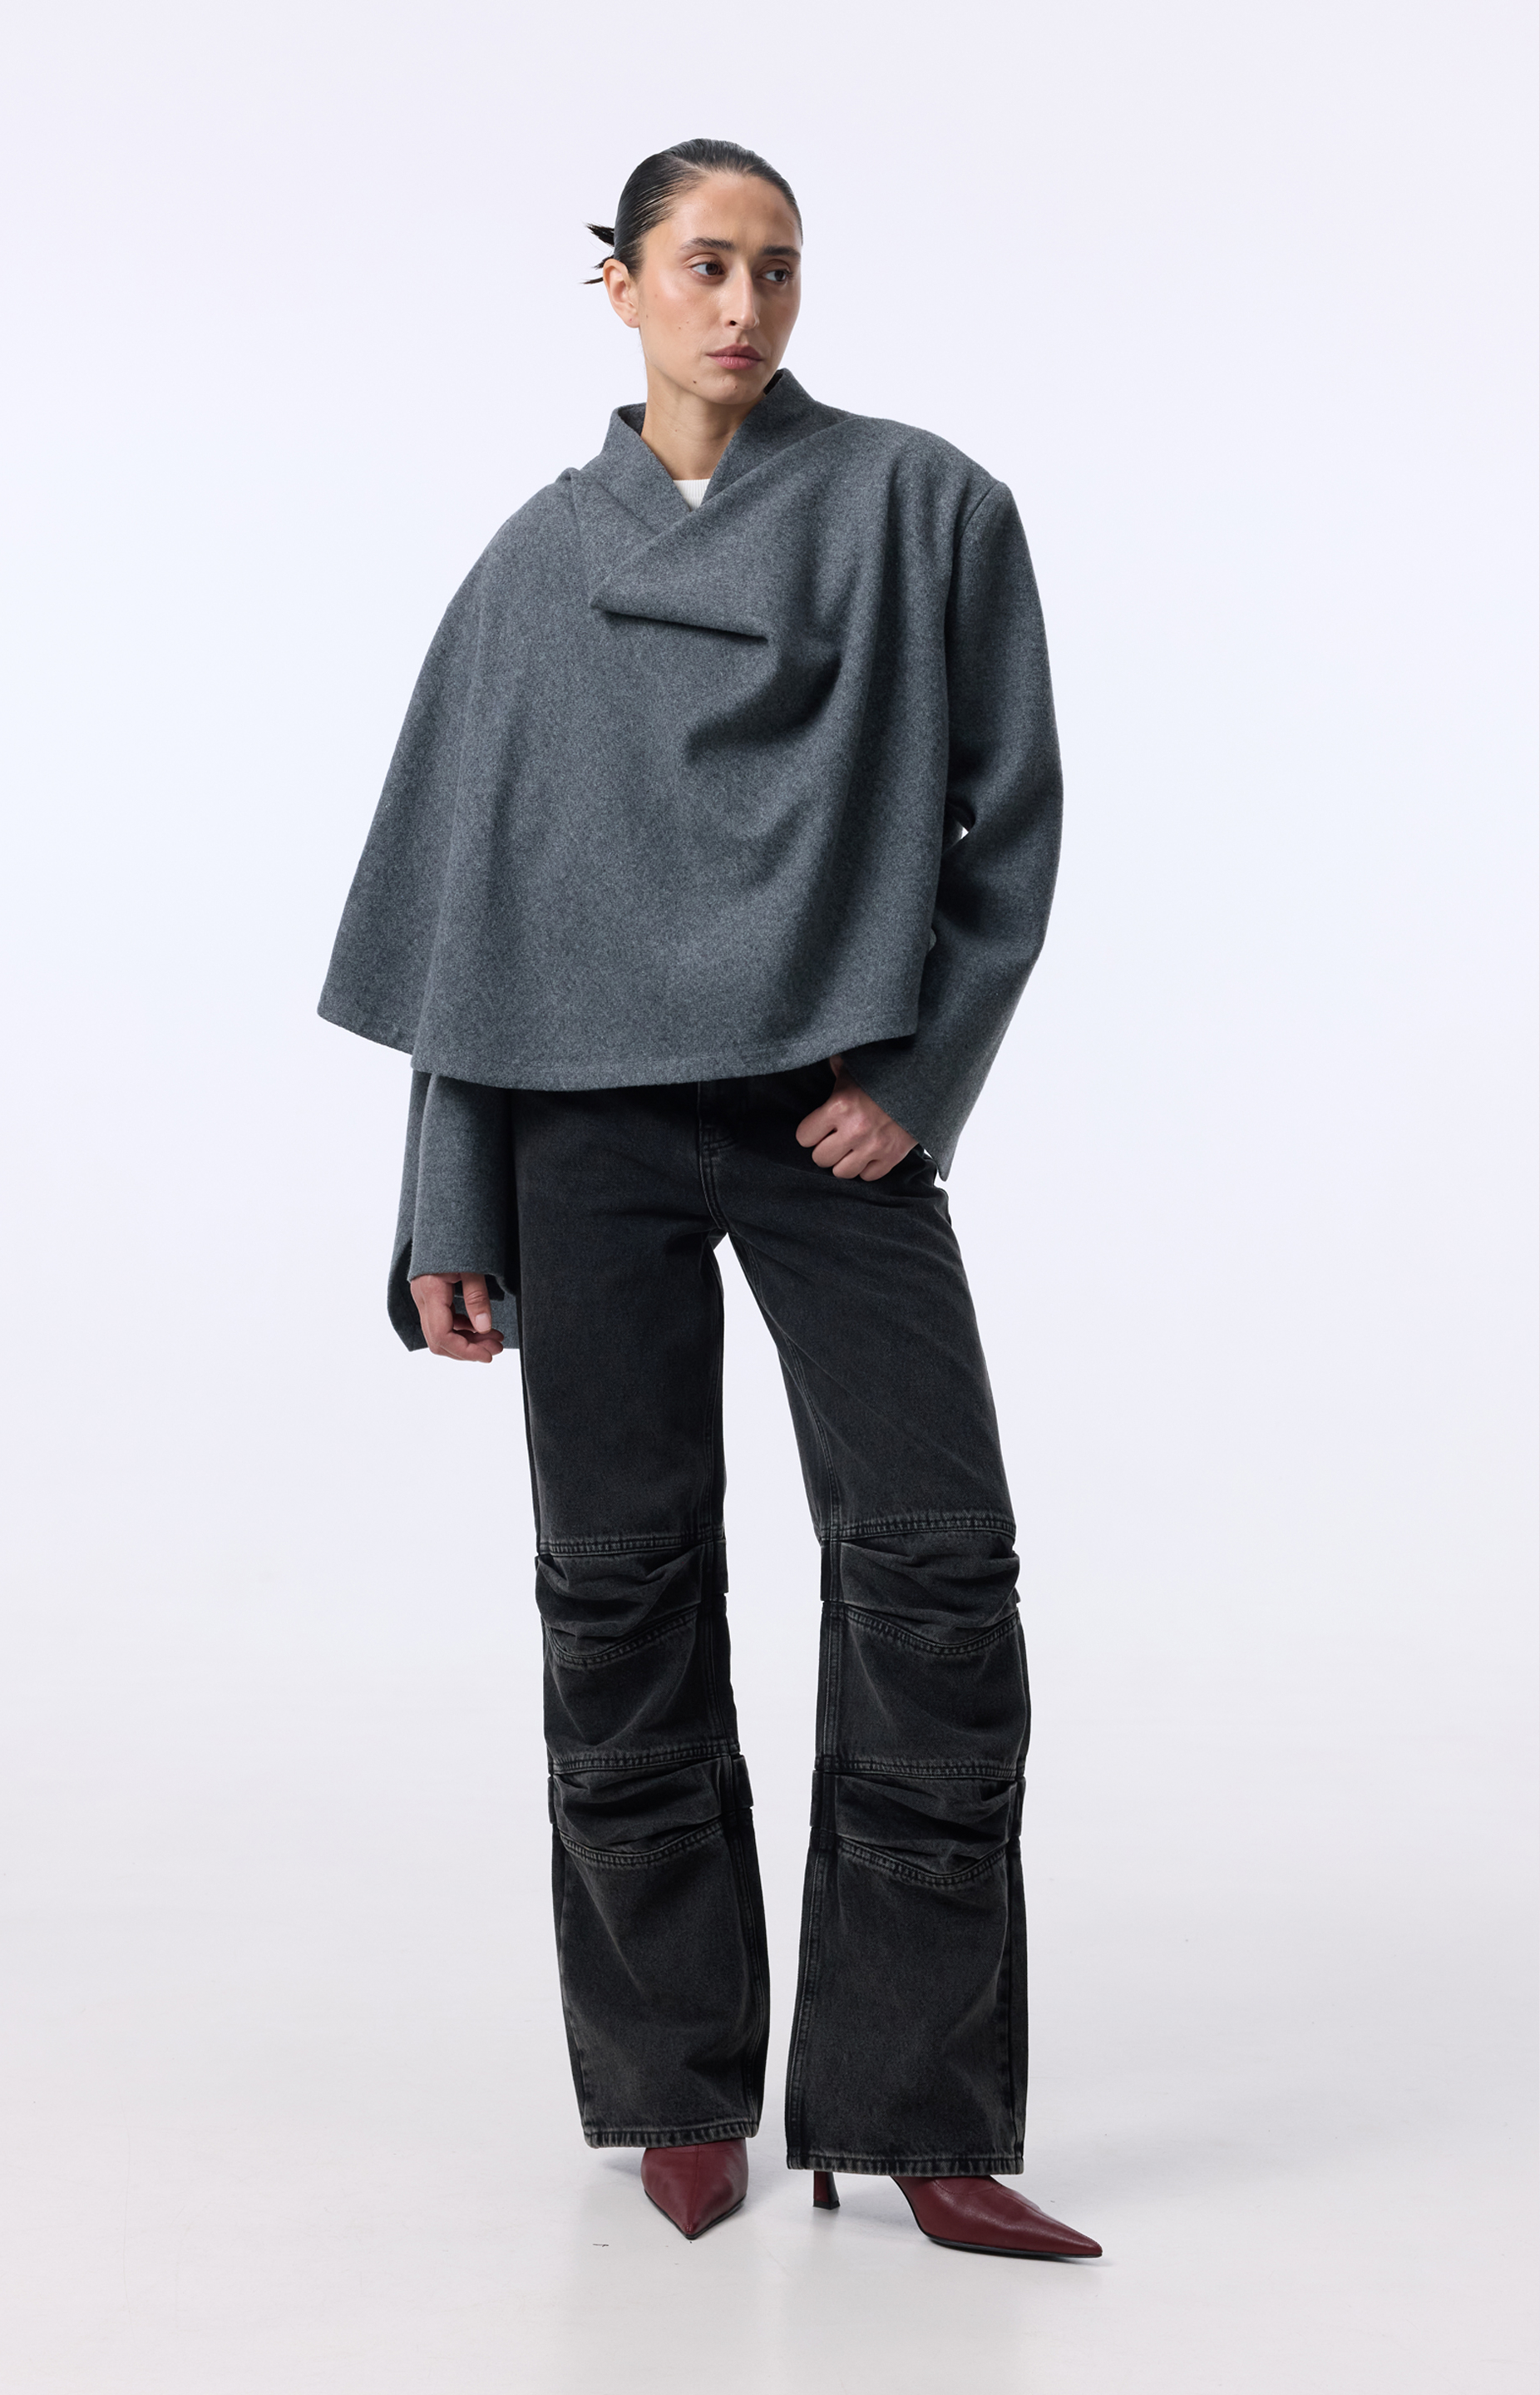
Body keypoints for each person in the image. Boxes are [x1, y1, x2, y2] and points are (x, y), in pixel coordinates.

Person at [320, 137, 1099, 2261]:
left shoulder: (927, 508)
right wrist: (449, 1197)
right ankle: (675, 2085)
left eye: (775, 269)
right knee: (622, 1594)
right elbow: (471, 915)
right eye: (701, 265)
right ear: (620, 284)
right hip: (579, 1140)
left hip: (825, 1124)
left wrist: (916, 1079)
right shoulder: (534, 565)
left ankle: (918, 2116)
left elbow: (1015, 823)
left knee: (936, 1580)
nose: (742, 307)